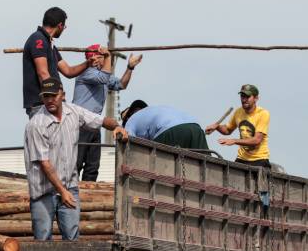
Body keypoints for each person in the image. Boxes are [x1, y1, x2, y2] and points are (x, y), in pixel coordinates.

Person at [24, 77, 128, 240]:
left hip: (69, 186)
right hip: (43, 191)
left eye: (54, 95)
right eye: (46, 96)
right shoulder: (36, 124)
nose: (50, 100)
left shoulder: (73, 112)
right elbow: (45, 163)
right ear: (41, 97)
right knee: (43, 239)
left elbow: (100, 120)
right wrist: (62, 191)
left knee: (72, 239)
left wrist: (117, 126)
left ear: (63, 95)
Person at [72, 45, 142, 181]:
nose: (106, 59)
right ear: (96, 58)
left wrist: (130, 67)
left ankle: (88, 194)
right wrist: (109, 55)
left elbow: (122, 85)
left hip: (94, 124)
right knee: (76, 164)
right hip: (80, 124)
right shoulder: (87, 72)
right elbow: (104, 78)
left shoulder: (102, 75)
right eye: (104, 56)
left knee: (92, 167)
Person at [22, 7, 91, 118]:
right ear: (60, 25)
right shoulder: (38, 39)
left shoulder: (50, 45)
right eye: (64, 26)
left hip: (51, 103)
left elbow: (68, 71)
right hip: (42, 105)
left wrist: (88, 63)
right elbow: (43, 73)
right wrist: (55, 96)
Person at [205, 84, 271, 167]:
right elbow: (228, 130)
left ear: (256, 98)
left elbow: (257, 140)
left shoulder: (263, 114)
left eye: (247, 97)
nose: (244, 100)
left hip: (259, 159)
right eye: (242, 96)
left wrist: (234, 141)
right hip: (242, 158)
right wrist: (217, 126)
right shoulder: (238, 112)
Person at [121, 100, 208, 150]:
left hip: (170, 130)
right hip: (195, 128)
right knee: (206, 167)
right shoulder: (155, 110)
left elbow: (130, 145)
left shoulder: (131, 121)